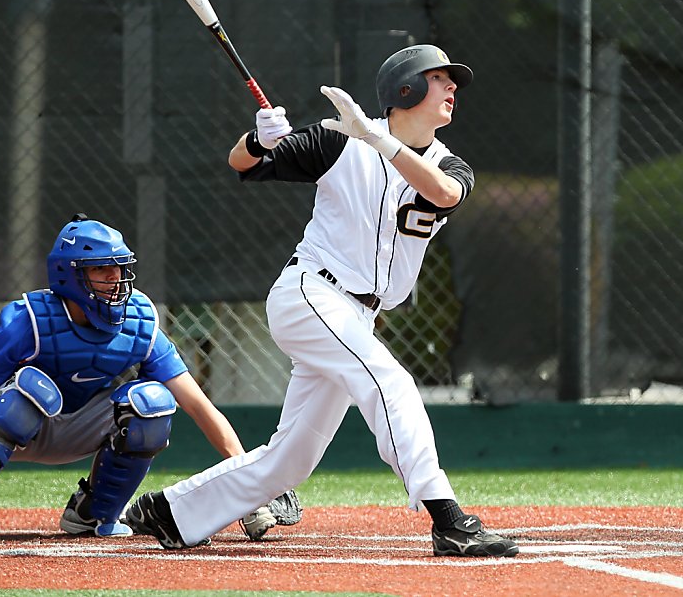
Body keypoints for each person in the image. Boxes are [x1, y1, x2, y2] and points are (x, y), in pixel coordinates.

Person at [125, 44, 518, 558]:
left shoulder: (446, 163)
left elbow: (443, 193)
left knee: (293, 458)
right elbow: (242, 162)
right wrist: (257, 137)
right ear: (407, 89)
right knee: (389, 382)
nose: (451, 90)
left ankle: (171, 512)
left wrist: (379, 139)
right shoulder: (339, 141)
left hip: (358, 314)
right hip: (311, 293)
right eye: (440, 79)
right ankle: (447, 518)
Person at [0, 214, 299, 541]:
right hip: (16, 430)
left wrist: (247, 481)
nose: (115, 277)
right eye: (102, 269)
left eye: (119, 267)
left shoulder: (139, 323)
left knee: (154, 403)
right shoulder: (31, 321)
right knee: (28, 395)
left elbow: (198, 406)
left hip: (81, 430)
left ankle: (94, 515)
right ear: (70, 275)